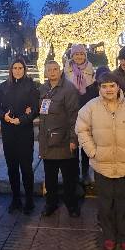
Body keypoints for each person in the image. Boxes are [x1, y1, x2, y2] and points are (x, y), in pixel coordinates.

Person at [76, 72, 125, 250]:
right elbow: (82, 129)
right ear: (99, 88)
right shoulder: (91, 107)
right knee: (105, 202)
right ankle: (109, 236)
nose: (108, 90)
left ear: (118, 87)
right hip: (102, 163)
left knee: (124, 202)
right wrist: (93, 152)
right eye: (104, 86)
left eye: (112, 86)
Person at [0, 57, 40, 214]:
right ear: (11, 70)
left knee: (26, 167)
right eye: (15, 68)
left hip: (24, 131)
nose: (18, 71)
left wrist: (22, 119)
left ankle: (29, 200)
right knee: (12, 167)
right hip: (8, 131)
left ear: (24, 70)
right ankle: (15, 199)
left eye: (20, 68)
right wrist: (3, 116)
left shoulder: (31, 86)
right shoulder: (3, 86)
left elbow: (35, 109)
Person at [38, 59, 82, 217]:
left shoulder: (69, 89)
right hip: (48, 141)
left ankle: (72, 205)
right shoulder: (43, 89)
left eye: (55, 69)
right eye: (49, 69)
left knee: (69, 177)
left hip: (64, 141)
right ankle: (51, 203)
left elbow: (74, 116)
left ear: (61, 71)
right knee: (50, 177)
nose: (52, 72)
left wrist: (73, 139)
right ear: (45, 72)